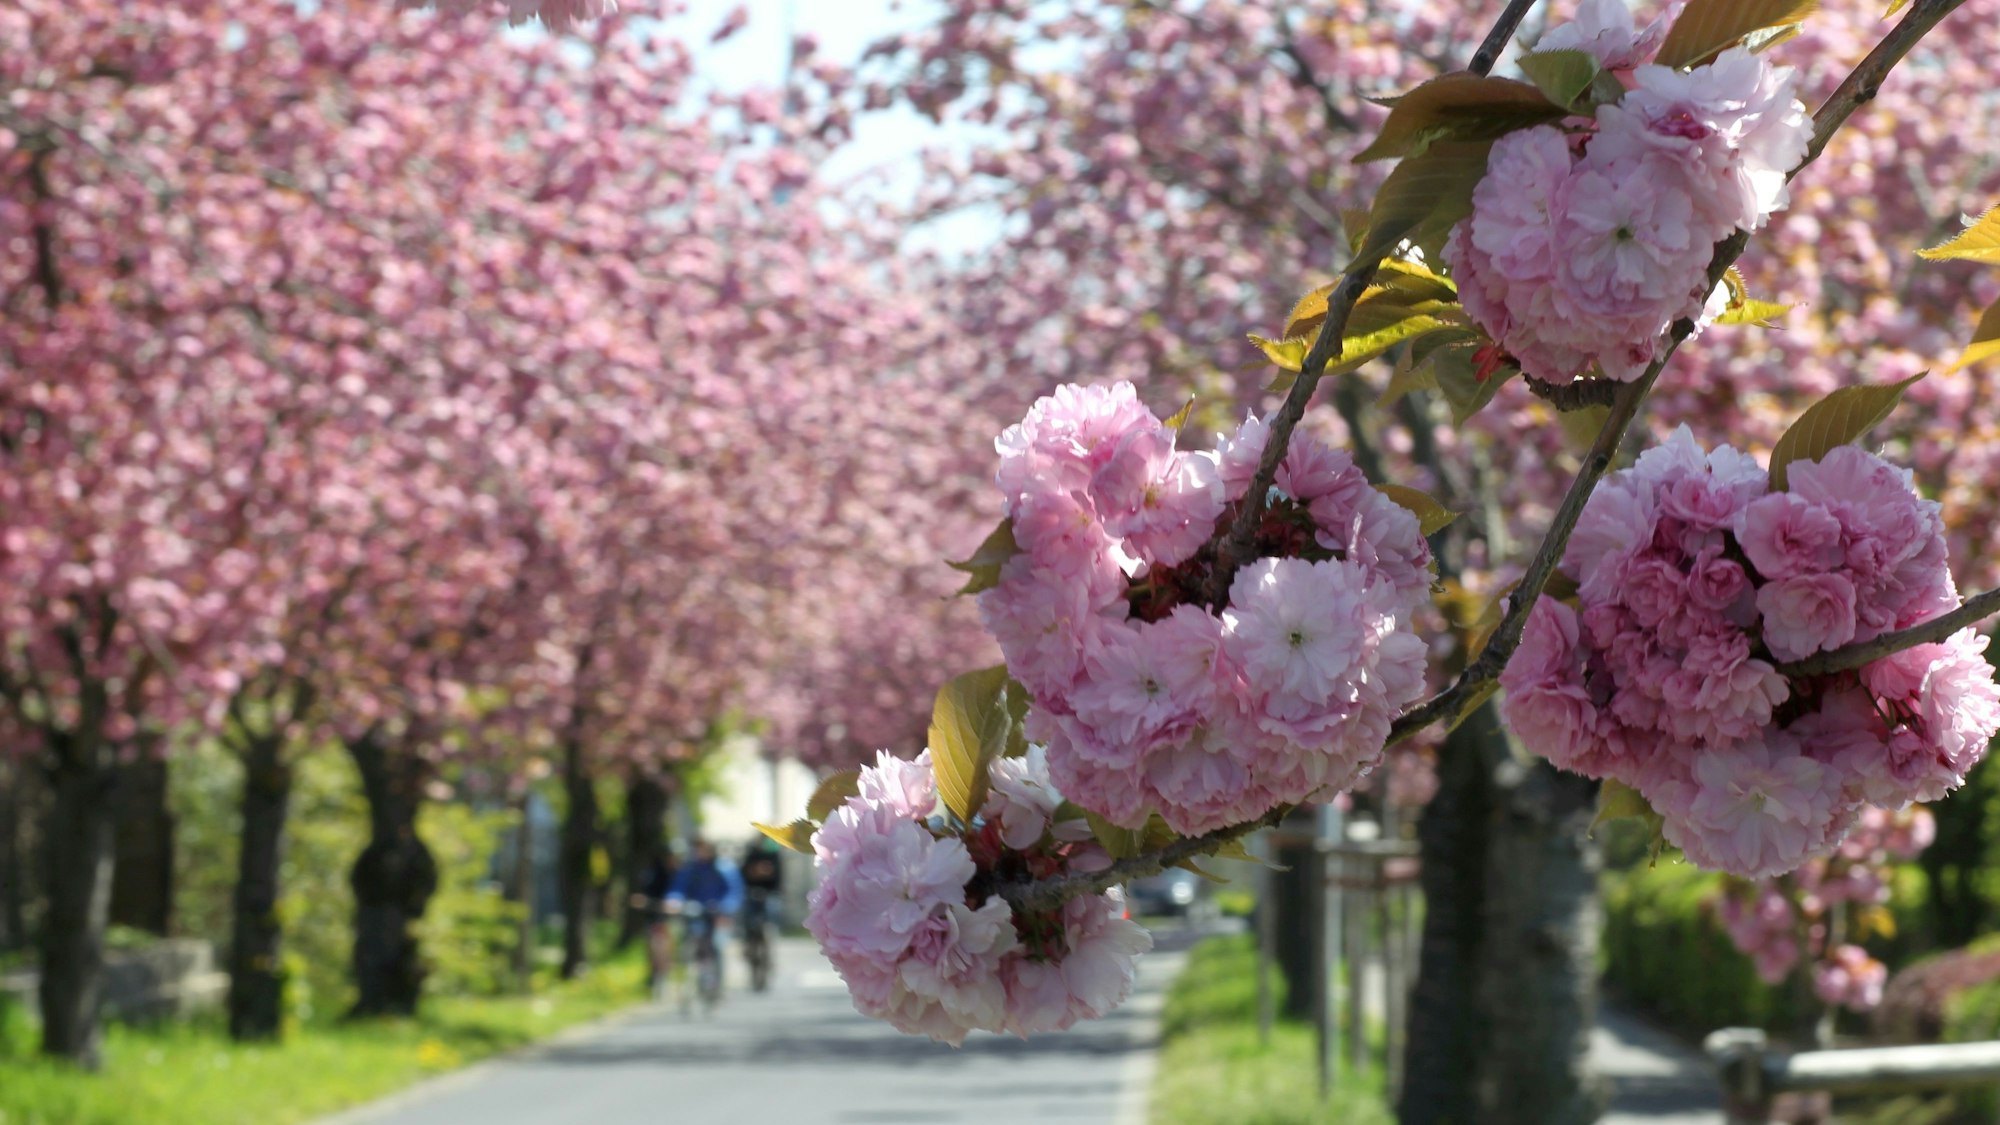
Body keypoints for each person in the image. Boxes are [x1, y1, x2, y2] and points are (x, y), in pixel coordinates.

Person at [665, 838, 744, 1001]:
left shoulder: (724, 868)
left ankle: (718, 983)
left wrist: (725, 908)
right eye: (697, 849)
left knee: (716, 944)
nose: (700, 853)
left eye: (703, 849)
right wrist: (673, 900)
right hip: (695, 912)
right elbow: (678, 888)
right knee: (690, 938)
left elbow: (734, 892)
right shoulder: (690, 868)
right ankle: (691, 974)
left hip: (717, 913)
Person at [739, 839, 783, 990]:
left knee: (771, 916)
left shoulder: (774, 854)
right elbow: (745, 874)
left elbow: (778, 877)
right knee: (746, 917)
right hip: (751, 893)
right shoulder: (751, 854)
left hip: (770, 893)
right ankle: (746, 943)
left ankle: (770, 941)